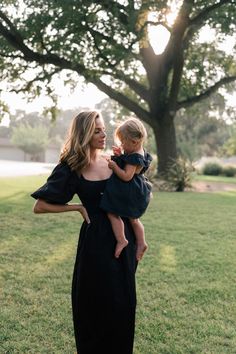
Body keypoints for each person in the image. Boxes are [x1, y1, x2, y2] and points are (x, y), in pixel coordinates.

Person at [31, 111, 138, 354]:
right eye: (97, 130)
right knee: (93, 305)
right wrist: (77, 207)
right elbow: (40, 206)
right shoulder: (72, 167)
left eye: (103, 129)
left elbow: (134, 193)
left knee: (122, 305)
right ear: (85, 134)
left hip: (124, 241)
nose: (104, 134)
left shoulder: (115, 161)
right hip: (95, 244)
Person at [100, 118, 152, 261]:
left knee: (111, 212)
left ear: (134, 141)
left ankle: (122, 239)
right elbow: (129, 164)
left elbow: (126, 176)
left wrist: (114, 166)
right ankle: (141, 242)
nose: (122, 145)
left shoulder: (134, 157)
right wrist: (120, 156)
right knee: (134, 219)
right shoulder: (139, 151)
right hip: (137, 189)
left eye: (123, 142)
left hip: (129, 190)